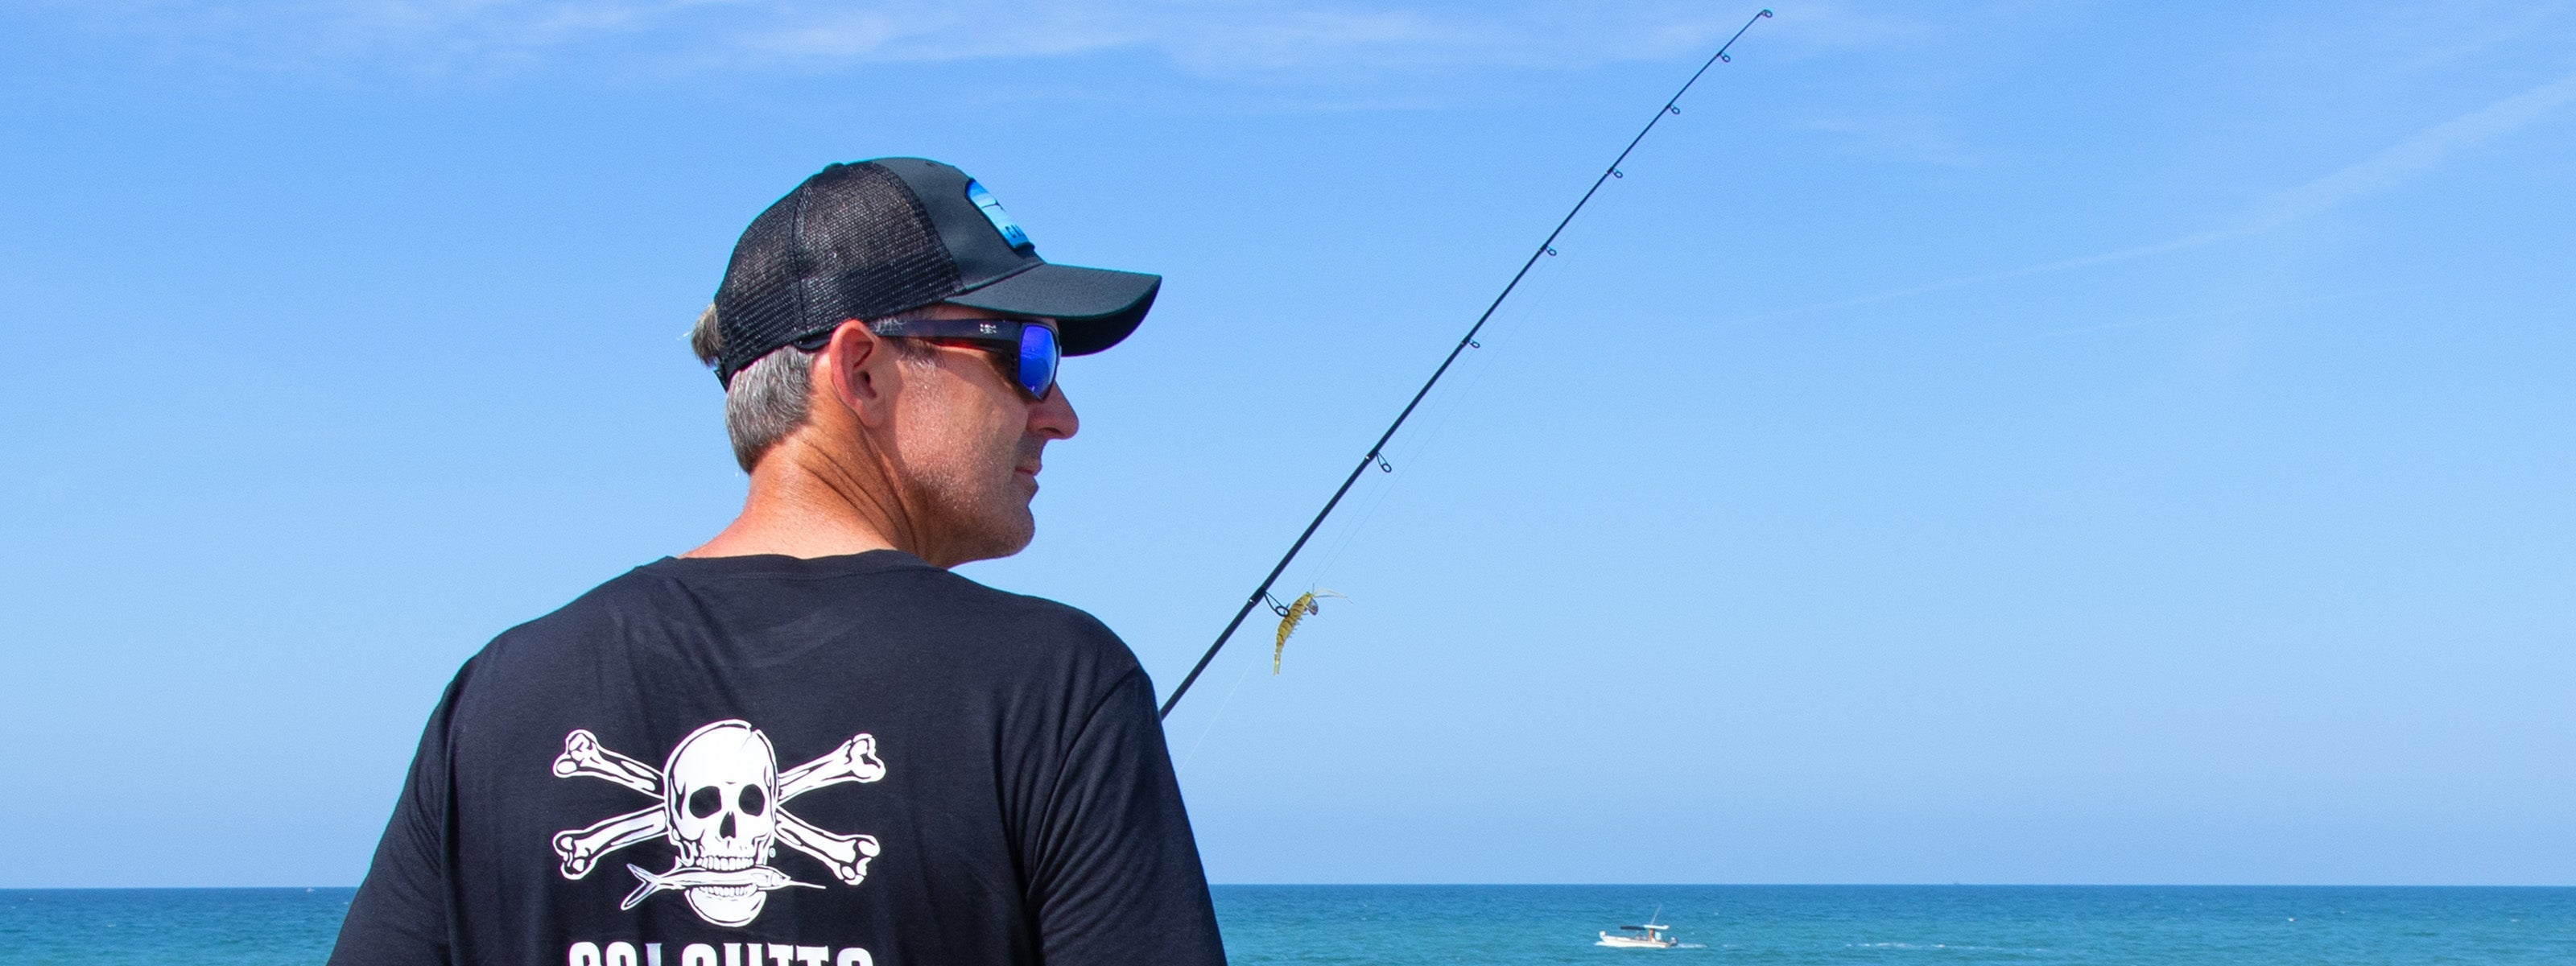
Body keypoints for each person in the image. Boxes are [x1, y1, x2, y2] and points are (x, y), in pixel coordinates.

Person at [328, 158, 1227, 966]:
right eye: (1028, 355)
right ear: (863, 371)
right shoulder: (1055, 688)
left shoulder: (497, 698)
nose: (1059, 413)